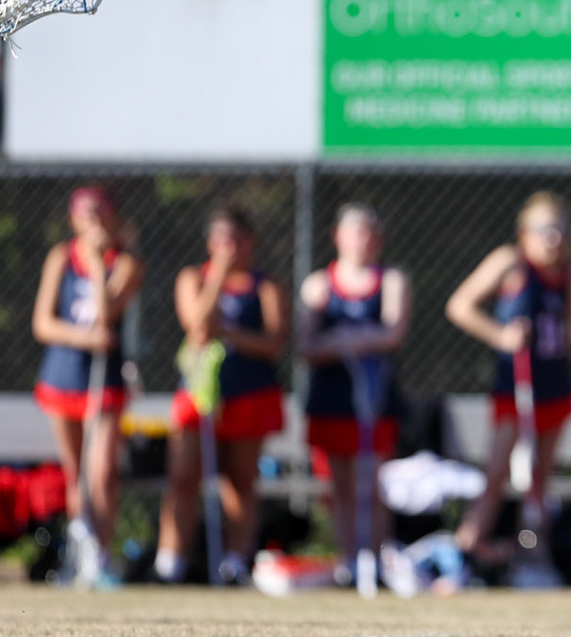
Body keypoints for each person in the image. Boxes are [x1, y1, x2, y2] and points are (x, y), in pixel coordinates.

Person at [447, 191, 571, 557]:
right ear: (525, 232)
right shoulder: (510, 262)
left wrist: (564, 337)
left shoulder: (565, 276)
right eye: (545, 229)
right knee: (497, 472)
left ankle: (534, 553)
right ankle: (469, 547)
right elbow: (460, 306)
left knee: (540, 477)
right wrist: (502, 335)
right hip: (516, 384)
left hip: (552, 383)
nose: (554, 238)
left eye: (560, 229)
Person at [157, 206, 288, 586]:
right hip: (200, 396)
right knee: (183, 477)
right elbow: (197, 325)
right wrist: (216, 279)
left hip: (250, 393)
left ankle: (234, 561)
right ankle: (170, 563)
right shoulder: (193, 278)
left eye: (237, 239)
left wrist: (229, 335)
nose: (229, 247)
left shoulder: (265, 286)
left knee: (240, 480)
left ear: (250, 242)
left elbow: (273, 341)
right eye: (222, 239)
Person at [32, 187, 144, 588]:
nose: (94, 219)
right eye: (86, 212)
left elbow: (106, 314)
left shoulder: (126, 264)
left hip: (104, 381)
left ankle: (101, 552)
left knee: (103, 472)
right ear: (73, 218)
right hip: (64, 375)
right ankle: (80, 554)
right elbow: (43, 323)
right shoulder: (60, 257)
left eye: (100, 212)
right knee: (75, 474)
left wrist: (98, 266)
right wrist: (83, 339)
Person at [297, 204, 411, 582]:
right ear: (338, 236)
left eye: (368, 231)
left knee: (370, 481)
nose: (361, 239)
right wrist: (339, 344)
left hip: (374, 399)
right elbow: (306, 345)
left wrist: (360, 339)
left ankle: (376, 560)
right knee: (340, 484)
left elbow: (392, 334)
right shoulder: (318, 285)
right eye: (353, 231)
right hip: (333, 397)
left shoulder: (391, 281)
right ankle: (349, 560)